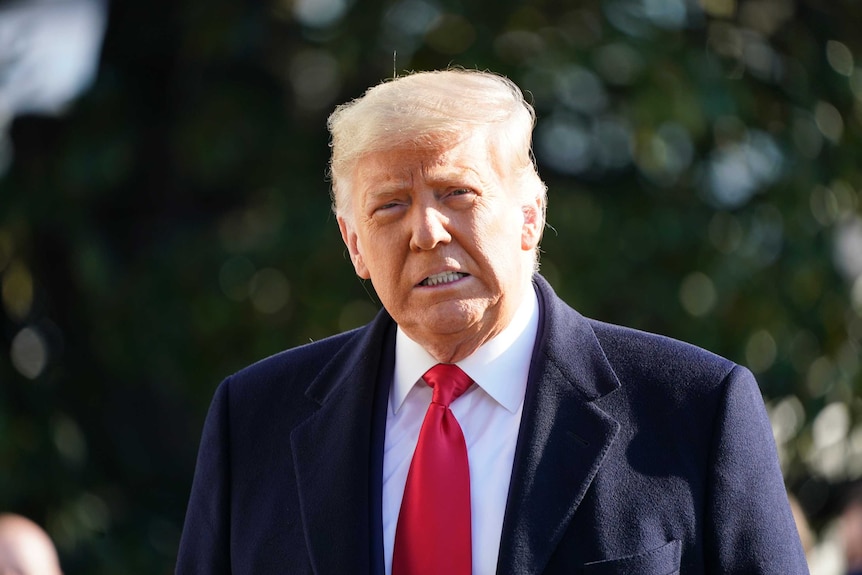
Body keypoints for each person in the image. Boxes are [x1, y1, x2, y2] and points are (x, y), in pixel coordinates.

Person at [176, 69, 809, 574]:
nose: (427, 230)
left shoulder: (695, 409)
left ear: (531, 216)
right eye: (391, 205)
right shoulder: (253, 419)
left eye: (458, 193)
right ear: (354, 245)